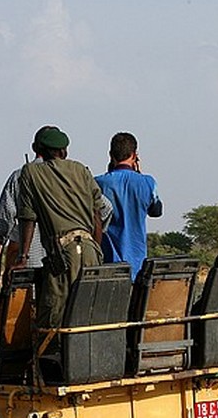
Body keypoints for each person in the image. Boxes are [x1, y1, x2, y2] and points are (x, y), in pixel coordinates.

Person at [10, 125, 104, 330]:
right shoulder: (81, 170)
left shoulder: (30, 172)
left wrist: (22, 257)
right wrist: (97, 251)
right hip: (90, 251)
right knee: (87, 317)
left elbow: (27, 217)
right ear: (64, 151)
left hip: (62, 255)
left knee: (53, 320)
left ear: (37, 151)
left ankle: (51, 360)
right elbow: (98, 213)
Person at [95, 132, 162, 279]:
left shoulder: (97, 183)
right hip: (137, 266)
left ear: (111, 155)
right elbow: (156, 211)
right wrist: (138, 173)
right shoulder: (148, 182)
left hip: (108, 264)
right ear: (134, 155)